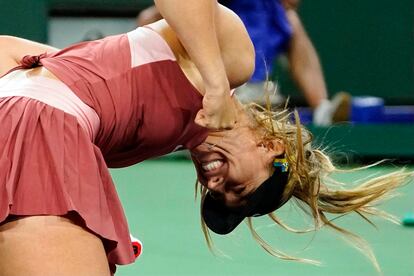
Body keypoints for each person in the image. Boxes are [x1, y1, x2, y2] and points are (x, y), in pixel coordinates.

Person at [0, 1, 411, 275]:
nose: (214, 185)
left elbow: (27, 64)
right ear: (271, 147)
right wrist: (215, 83)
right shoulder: (234, 64)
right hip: (38, 130)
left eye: (216, 194)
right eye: (237, 186)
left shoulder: (162, 130)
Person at [136, 0, 350, 126]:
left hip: (251, 33)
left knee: (291, 20)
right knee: (152, 18)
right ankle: (156, 111)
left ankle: (322, 109)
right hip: (212, 20)